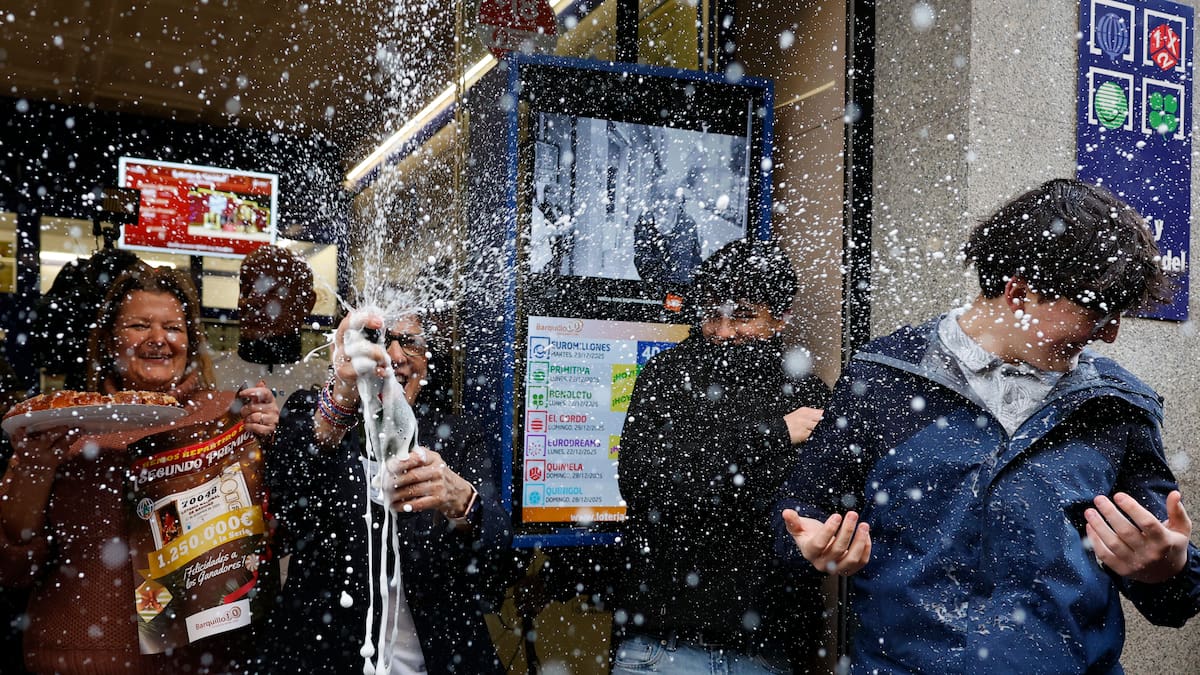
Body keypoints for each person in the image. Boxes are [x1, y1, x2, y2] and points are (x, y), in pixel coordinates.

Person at [776, 178, 1200, 673]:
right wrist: (808, 544)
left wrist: (1171, 568)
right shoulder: (884, 376)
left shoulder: (1118, 404)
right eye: (1097, 311)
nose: (1110, 333)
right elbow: (799, 511)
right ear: (1018, 292)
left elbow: (1173, 599)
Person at [0, 266, 279, 674]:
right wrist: (33, 464)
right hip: (81, 658)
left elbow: (271, 538)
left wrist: (268, 441)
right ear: (111, 339)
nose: (159, 340)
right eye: (138, 325)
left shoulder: (228, 415)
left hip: (203, 661)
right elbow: (13, 566)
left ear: (191, 340)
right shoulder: (63, 423)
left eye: (173, 327)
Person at [262, 302, 517, 674]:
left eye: (409, 342)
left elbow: (498, 555)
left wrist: (462, 502)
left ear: (427, 359)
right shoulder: (311, 415)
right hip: (325, 657)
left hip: (436, 659)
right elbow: (290, 501)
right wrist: (342, 395)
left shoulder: (457, 438)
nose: (395, 356)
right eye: (378, 340)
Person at [613, 239, 831, 674]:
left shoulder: (806, 391)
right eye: (715, 314)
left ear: (781, 317)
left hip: (767, 650)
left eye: (744, 315)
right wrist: (773, 438)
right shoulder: (668, 376)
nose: (726, 330)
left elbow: (820, 509)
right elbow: (645, 485)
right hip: (662, 648)